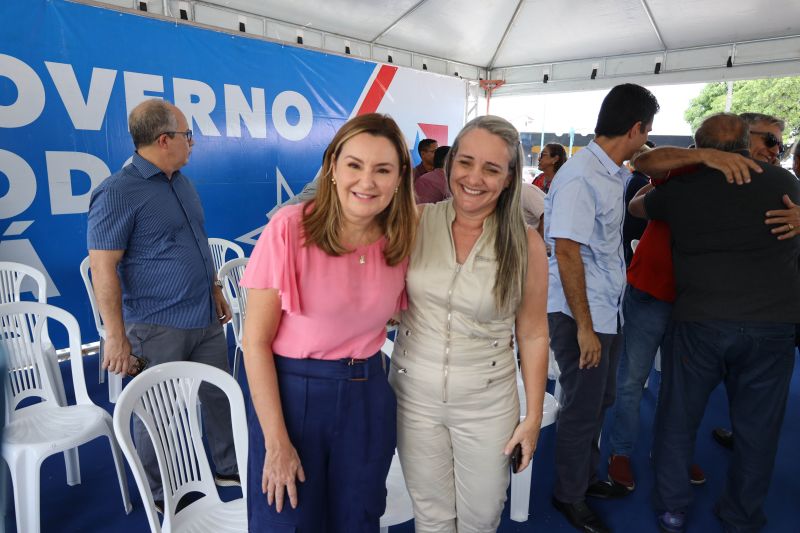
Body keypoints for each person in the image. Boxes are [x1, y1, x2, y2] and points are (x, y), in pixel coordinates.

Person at [240, 113, 417, 532]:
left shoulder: (403, 239)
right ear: (333, 168)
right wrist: (277, 440)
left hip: (368, 396)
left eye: (382, 170)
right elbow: (255, 343)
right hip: (294, 396)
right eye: (354, 165)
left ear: (398, 178)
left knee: (359, 518)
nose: (367, 181)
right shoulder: (290, 228)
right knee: (288, 520)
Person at [629, 113, 800, 533]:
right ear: (747, 141)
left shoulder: (683, 187)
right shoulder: (785, 185)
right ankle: (742, 515)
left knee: (677, 419)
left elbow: (637, 202)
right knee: (759, 430)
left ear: (699, 144)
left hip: (700, 323)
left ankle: (672, 509)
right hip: (772, 326)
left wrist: (688, 168)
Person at [390, 115, 549, 532]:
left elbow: (532, 333)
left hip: (487, 406)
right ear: (450, 165)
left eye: (492, 169)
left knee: (480, 520)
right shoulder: (416, 222)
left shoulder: (525, 242)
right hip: (415, 400)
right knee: (431, 518)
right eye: (466, 162)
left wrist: (532, 418)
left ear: (510, 178)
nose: (474, 178)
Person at [87, 99, 239, 510]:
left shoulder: (181, 182)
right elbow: (104, 269)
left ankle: (227, 466)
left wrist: (215, 288)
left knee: (218, 396)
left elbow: (193, 243)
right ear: (164, 139)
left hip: (204, 316)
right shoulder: (117, 192)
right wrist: (116, 337)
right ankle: (160, 491)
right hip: (157, 324)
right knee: (159, 411)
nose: (193, 143)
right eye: (189, 135)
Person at [545, 83, 659, 533]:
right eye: (646, 132)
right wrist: (585, 328)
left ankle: (584, 478)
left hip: (603, 310)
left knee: (599, 401)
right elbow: (567, 251)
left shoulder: (611, 171)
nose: (647, 141)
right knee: (582, 407)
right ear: (635, 129)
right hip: (581, 314)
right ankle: (568, 495)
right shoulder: (580, 176)